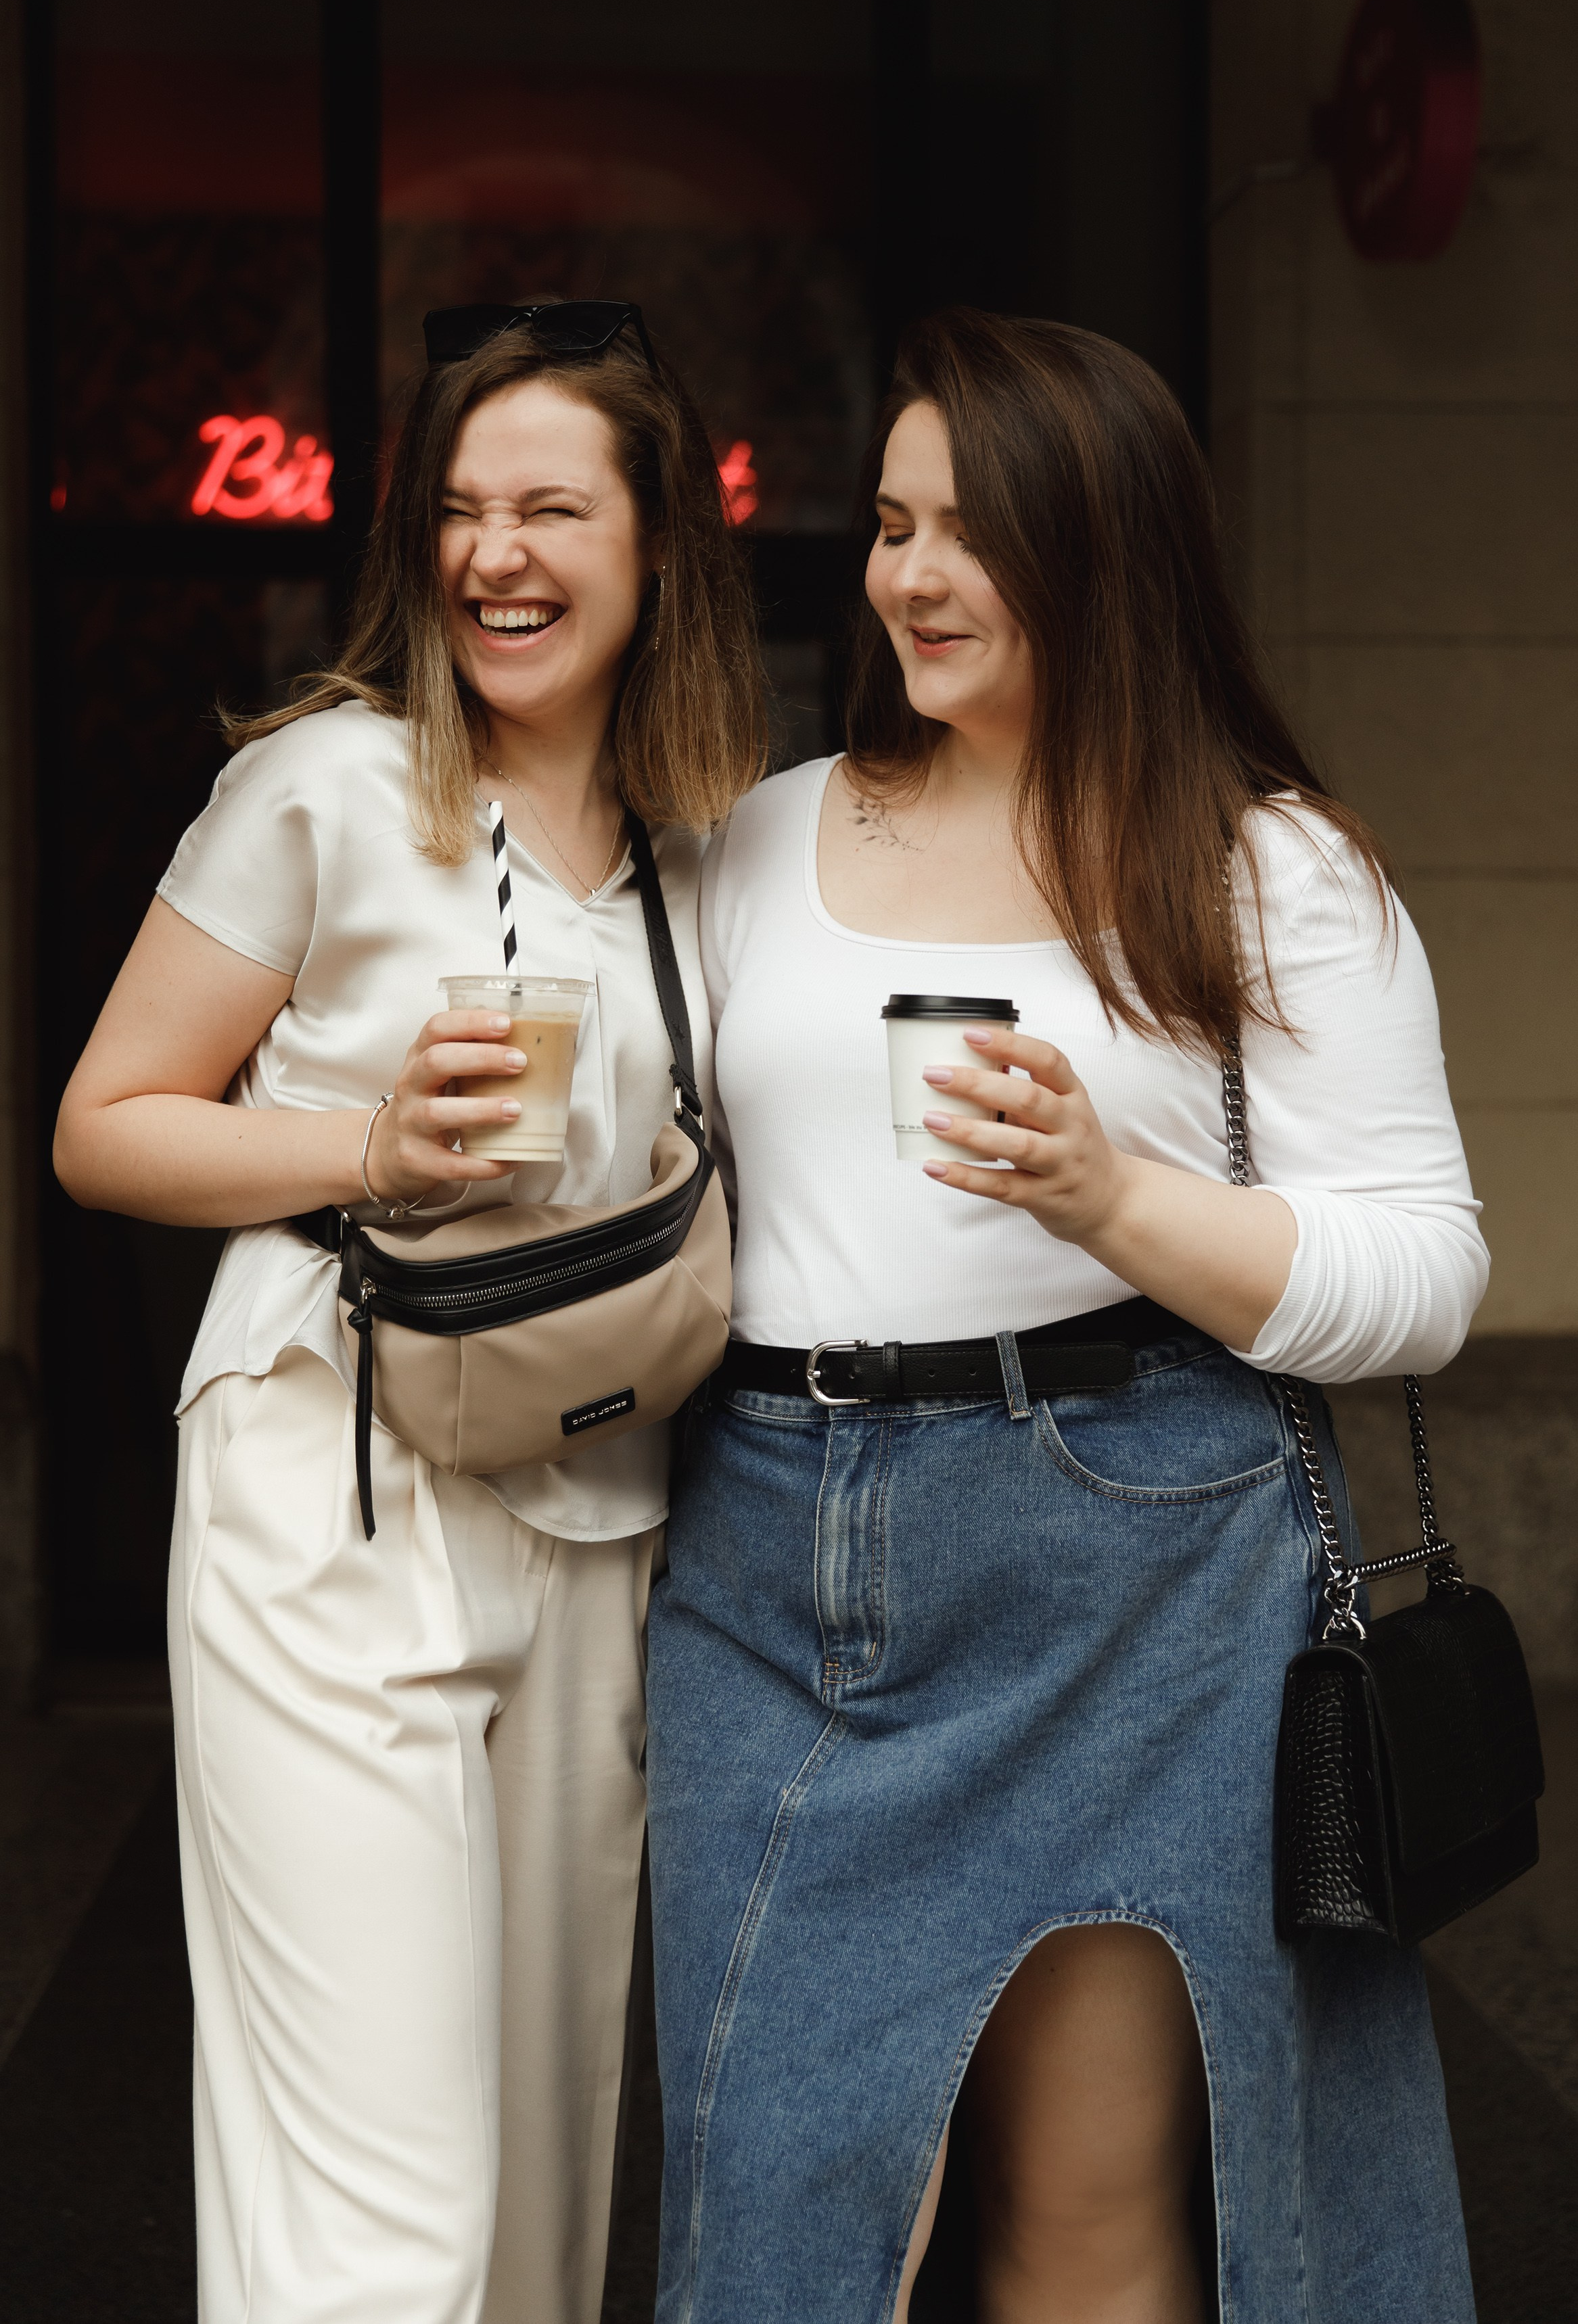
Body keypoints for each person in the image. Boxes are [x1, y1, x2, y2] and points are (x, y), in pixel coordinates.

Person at [645, 308, 1485, 2324]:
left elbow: (1426, 1275)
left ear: (1106, 551)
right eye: (889, 523)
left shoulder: (1268, 866)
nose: (906, 577)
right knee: (774, 2206)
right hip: (770, 1553)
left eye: (967, 533)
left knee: (1087, 2211)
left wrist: (1116, 1197)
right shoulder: (760, 835)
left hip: (1135, 1565)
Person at [53, 302, 761, 2324]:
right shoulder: (328, 784)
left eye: (551, 505)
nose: (495, 555)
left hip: (596, 1505)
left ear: (656, 545)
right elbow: (105, 1128)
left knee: (540, 2209)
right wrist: (369, 1144)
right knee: (394, 2214)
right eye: (458, 510)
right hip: (329, 1486)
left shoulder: (698, 847)